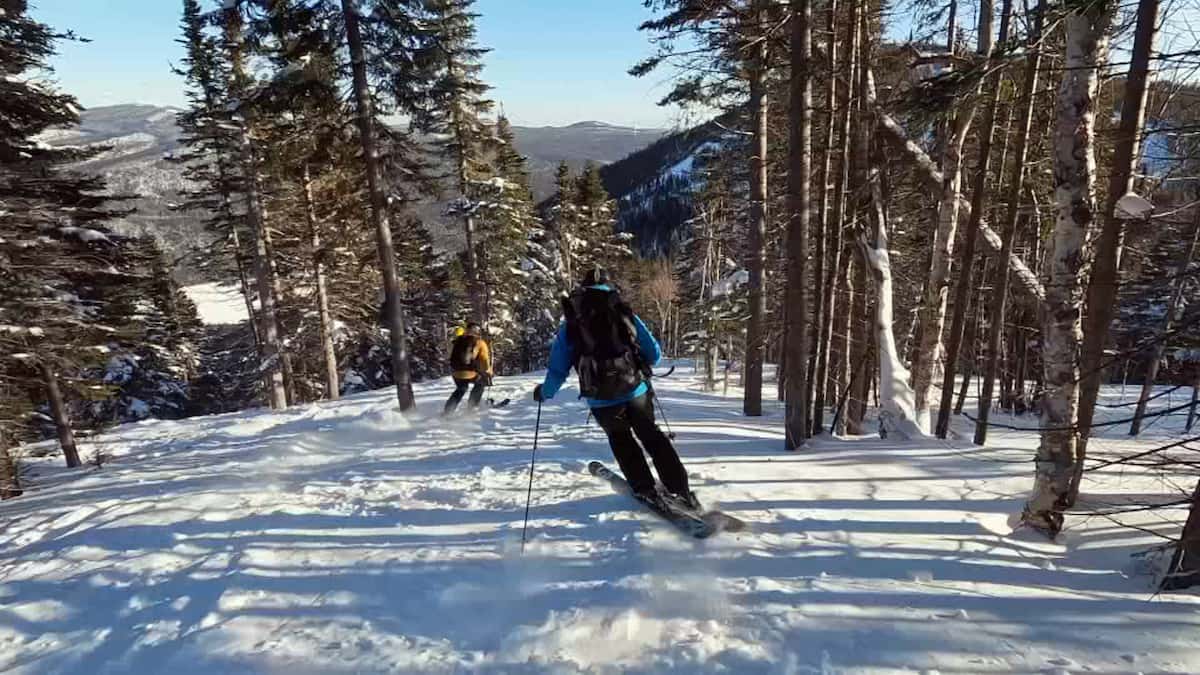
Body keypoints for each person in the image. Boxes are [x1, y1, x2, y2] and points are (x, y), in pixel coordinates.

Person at [533, 268, 700, 510]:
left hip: (602, 399)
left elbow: (558, 369)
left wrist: (545, 392)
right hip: (635, 391)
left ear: (583, 289)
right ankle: (681, 490)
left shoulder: (572, 322)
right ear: (609, 288)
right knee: (654, 438)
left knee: (622, 441)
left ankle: (645, 490)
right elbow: (654, 355)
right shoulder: (622, 312)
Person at [444, 322, 493, 415]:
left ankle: (448, 412)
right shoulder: (479, 342)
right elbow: (485, 360)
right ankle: (471, 408)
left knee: (461, 389)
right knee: (480, 383)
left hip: (456, 372)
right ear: (478, 331)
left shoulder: (457, 340)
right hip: (470, 372)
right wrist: (488, 372)